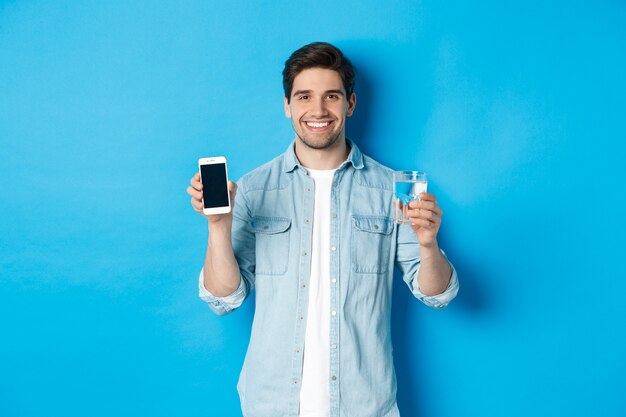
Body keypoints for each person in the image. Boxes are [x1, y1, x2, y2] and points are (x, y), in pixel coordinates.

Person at [186, 42, 459, 417]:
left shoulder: (392, 189)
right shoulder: (252, 189)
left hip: (365, 406)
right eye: (304, 97)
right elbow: (224, 299)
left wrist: (428, 246)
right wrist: (218, 227)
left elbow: (437, 294)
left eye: (331, 96)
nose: (318, 110)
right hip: (271, 405)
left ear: (350, 104)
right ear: (287, 106)